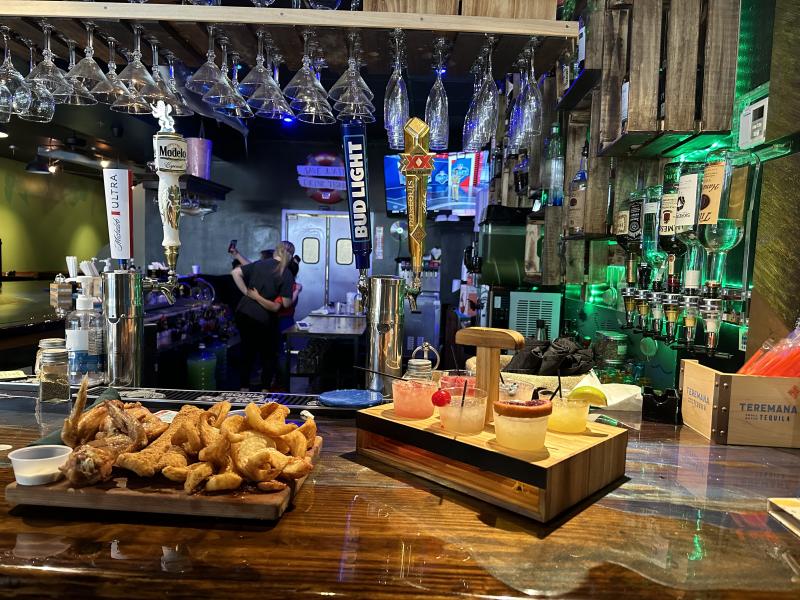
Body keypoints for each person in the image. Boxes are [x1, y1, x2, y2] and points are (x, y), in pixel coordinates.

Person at [231, 241, 295, 391]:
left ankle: (243, 388)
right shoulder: (286, 273)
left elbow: (235, 273)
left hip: (244, 312)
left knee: (247, 350)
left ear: (276, 251)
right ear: (291, 256)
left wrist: (246, 292)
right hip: (264, 317)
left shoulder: (259, 264)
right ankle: (265, 389)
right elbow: (286, 304)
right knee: (268, 354)